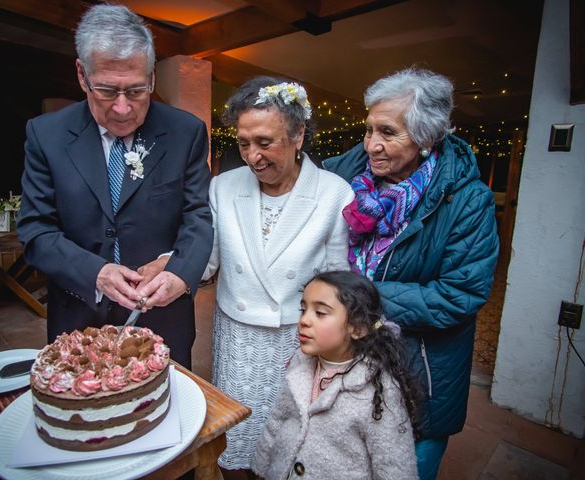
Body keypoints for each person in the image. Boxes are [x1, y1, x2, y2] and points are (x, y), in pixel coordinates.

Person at [324, 67, 499, 479]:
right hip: (344, 358)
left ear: (426, 137)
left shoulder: (468, 200)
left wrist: (360, 298)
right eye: (368, 130)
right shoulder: (341, 175)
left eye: (387, 132)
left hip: (416, 368)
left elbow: (460, 295)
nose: (371, 145)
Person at [17, 4, 213, 369]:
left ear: (152, 77)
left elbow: (198, 217)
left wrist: (181, 275)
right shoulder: (46, 135)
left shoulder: (186, 132)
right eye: (107, 91)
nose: (123, 109)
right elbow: (35, 231)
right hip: (78, 318)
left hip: (164, 318)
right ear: (81, 74)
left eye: (136, 91)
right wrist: (96, 272)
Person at [202, 76, 354, 473]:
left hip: (296, 341)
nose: (253, 157)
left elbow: (338, 285)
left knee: (287, 443)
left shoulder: (334, 194)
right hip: (237, 339)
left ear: (298, 134)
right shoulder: (222, 187)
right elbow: (207, 261)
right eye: (243, 143)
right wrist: (168, 264)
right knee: (235, 439)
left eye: (265, 143)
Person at [251, 270, 418, 480]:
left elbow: (395, 467)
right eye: (303, 309)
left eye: (320, 313)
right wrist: (262, 468)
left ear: (357, 328)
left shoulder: (378, 392)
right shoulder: (300, 363)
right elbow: (278, 419)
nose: (304, 320)